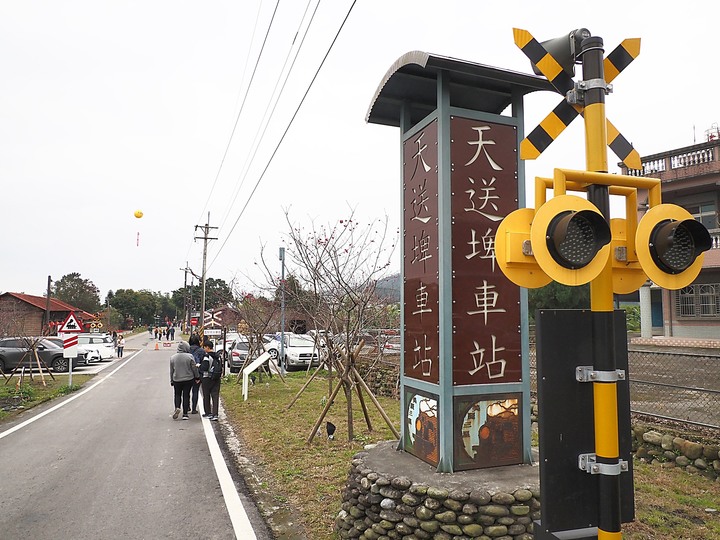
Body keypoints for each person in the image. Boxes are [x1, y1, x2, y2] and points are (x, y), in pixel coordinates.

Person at [170, 341, 200, 420]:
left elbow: (171, 370)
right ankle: (185, 414)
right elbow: (194, 367)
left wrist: (171, 380)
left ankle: (177, 407)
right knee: (186, 395)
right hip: (188, 379)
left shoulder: (173, 357)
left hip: (176, 378)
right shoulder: (189, 356)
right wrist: (197, 377)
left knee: (177, 394)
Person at [200, 338, 222, 420]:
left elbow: (204, 368)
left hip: (207, 378)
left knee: (206, 395)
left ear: (207, 347)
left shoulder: (207, 356)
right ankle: (215, 414)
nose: (204, 349)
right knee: (215, 396)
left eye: (204, 347)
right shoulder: (218, 356)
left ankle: (208, 412)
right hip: (216, 378)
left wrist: (199, 367)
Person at [187, 334, 205, 414]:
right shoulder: (201, 351)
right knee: (195, 391)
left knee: (186, 391)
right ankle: (194, 408)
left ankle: (187, 406)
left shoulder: (187, 349)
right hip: (197, 373)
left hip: (187, 373)